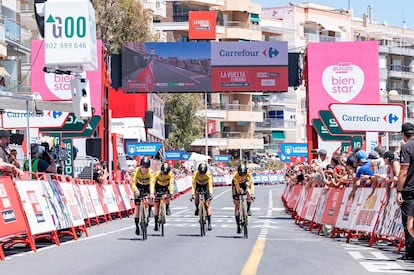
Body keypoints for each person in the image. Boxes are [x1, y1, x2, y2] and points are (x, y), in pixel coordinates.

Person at [397, 122, 414, 260]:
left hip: (410, 190)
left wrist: (399, 191)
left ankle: (411, 252)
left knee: (409, 223)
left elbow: (403, 171)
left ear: (404, 134)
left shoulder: (406, 147)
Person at [131, 157, 154, 235]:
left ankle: (150, 210)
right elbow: (133, 184)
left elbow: (151, 184)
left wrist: (151, 193)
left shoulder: (151, 172)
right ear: (140, 166)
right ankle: (137, 226)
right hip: (138, 187)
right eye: (143, 167)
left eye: (146, 167)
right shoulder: (135, 171)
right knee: (137, 208)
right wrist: (136, 190)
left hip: (147, 186)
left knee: (151, 198)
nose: (144, 169)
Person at [232, 163, 255, 234]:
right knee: (237, 205)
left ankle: (248, 209)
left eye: (243, 175)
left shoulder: (248, 174)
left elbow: (251, 185)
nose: (242, 176)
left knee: (248, 192)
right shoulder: (235, 176)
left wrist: (252, 194)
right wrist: (239, 191)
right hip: (236, 185)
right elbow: (237, 187)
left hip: (245, 183)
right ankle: (238, 226)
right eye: (240, 175)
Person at [191, 162, 213, 231]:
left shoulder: (208, 174)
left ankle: (209, 223)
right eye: (201, 173)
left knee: (207, 204)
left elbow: (210, 185)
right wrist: (192, 194)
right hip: (198, 185)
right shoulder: (195, 174)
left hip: (206, 186)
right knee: (196, 197)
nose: (202, 175)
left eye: (204, 173)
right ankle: (197, 208)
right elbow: (193, 185)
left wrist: (211, 194)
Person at [152, 162, 174, 231]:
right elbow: (152, 184)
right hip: (158, 186)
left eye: (166, 174)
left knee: (167, 197)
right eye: (163, 173)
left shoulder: (171, 174)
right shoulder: (156, 174)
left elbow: (171, 184)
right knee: (156, 206)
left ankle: (167, 207)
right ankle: (156, 224)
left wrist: (171, 193)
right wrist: (153, 193)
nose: (164, 175)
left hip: (166, 186)